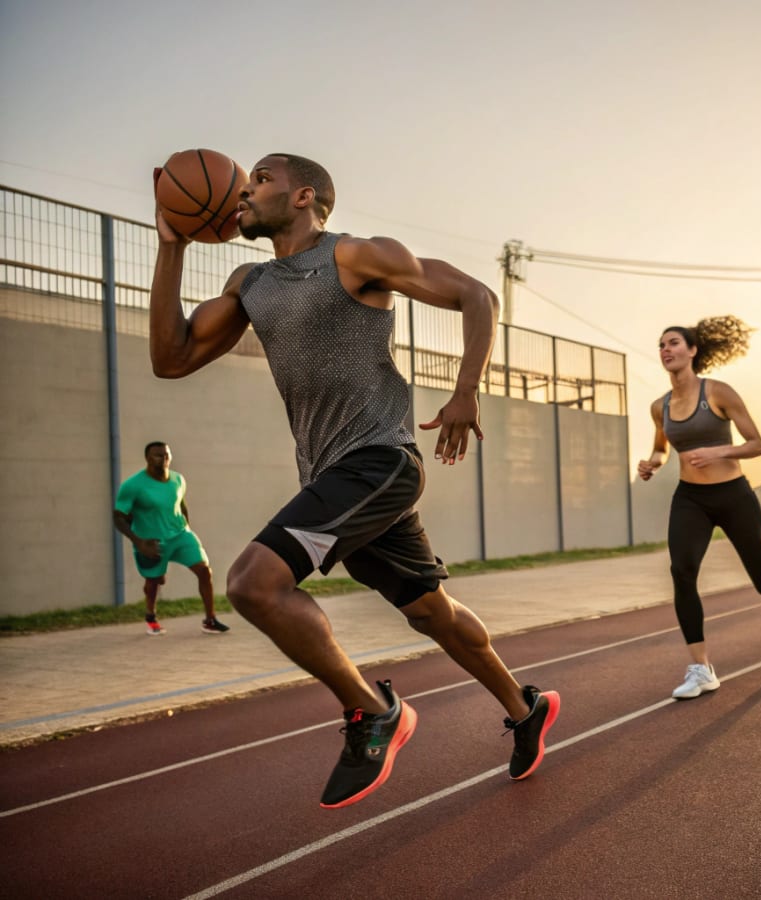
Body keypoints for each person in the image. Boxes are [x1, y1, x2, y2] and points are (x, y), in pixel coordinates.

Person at [148, 153, 559, 809]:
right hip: (332, 475)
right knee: (431, 610)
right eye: (244, 181)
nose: (245, 189)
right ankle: (524, 706)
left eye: (261, 179)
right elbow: (171, 357)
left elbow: (475, 295)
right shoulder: (250, 281)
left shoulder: (357, 256)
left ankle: (373, 713)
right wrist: (170, 242)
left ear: (304, 196)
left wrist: (465, 393)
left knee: (254, 583)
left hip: (381, 460)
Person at [637, 316, 761, 701]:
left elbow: (756, 444)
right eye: (662, 345)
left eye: (673, 343)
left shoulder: (717, 392)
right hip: (691, 499)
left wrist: (718, 450)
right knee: (681, 572)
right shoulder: (660, 406)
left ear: (693, 350)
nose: (666, 350)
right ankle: (701, 669)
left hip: (733, 496)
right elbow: (661, 446)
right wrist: (651, 462)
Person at [113, 441, 228, 635]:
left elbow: (181, 505)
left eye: (167, 455)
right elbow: (119, 517)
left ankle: (210, 620)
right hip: (151, 541)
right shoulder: (132, 486)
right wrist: (139, 542)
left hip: (181, 534)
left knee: (204, 571)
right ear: (148, 459)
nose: (164, 459)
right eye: (158, 455)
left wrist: (188, 530)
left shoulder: (178, 479)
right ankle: (151, 615)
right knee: (155, 581)